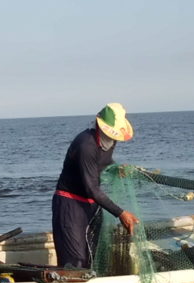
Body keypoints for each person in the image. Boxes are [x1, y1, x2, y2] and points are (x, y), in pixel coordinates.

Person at [52, 102, 139, 268]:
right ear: (101, 127)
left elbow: (103, 162)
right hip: (70, 204)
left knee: (92, 256)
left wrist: (116, 168)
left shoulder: (110, 142)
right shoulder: (86, 145)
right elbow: (91, 188)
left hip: (92, 206)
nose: (114, 140)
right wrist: (121, 213)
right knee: (75, 261)